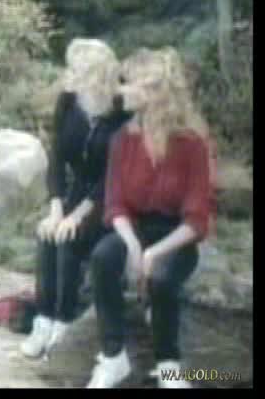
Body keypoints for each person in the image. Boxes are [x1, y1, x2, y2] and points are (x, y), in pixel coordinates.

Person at [86, 47, 214, 388]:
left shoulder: (191, 143)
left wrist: (154, 253)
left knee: (161, 278)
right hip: (134, 228)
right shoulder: (122, 139)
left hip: (176, 235)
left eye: (129, 83)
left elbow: (197, 218)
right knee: (103, 257)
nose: (121, 90)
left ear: (153, 91)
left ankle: (168, 366)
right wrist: (131, 245)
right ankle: (113, 358)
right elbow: (115, 204)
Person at [20, 38, 131, 358]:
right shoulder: (68, 101)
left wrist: (76, 216)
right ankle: (44, 318)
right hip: (79, 189)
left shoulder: (122, 112)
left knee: (72, 237)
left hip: (112, 195)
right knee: (48, 234)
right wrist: (56, 208)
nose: (68, 76)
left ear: (96, 77)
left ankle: (64, 321)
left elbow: (112, 174)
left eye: (76, 71)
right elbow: (56, 157)